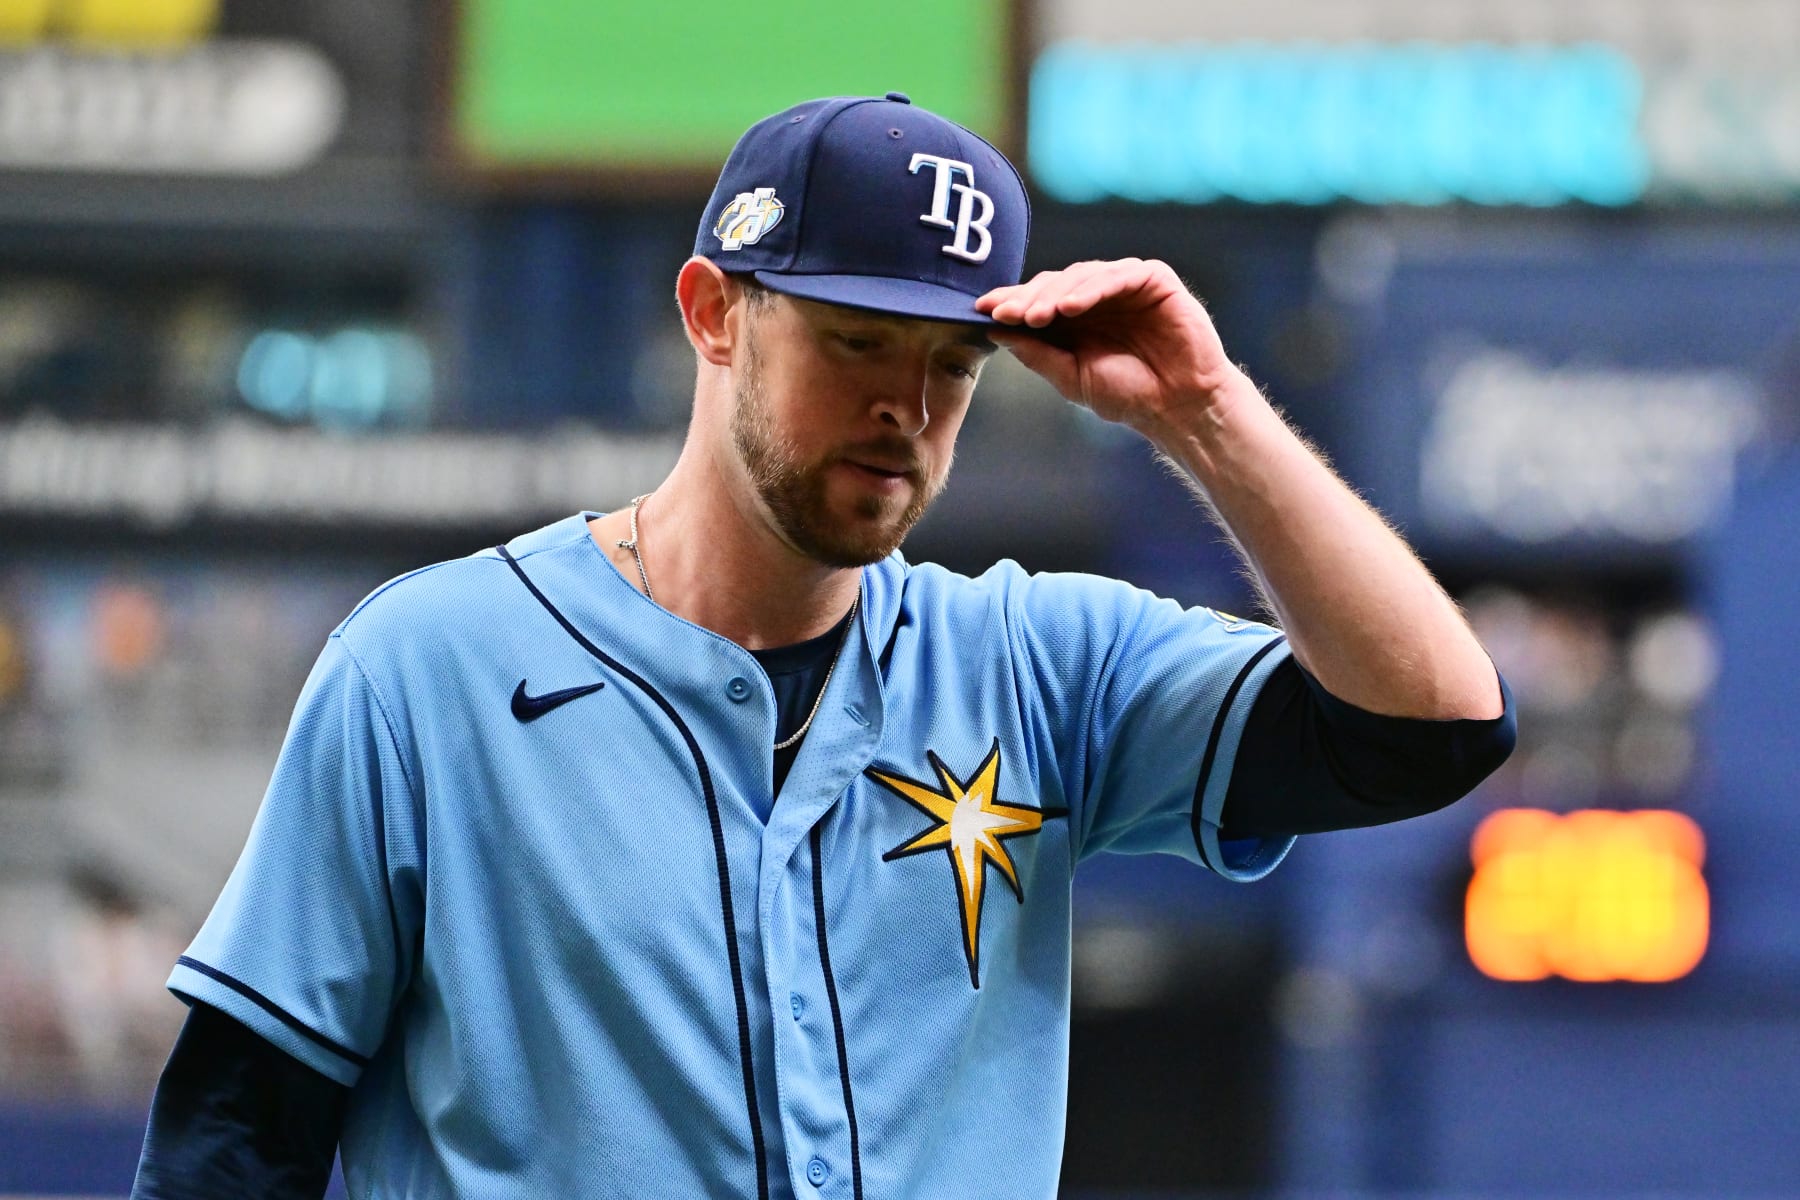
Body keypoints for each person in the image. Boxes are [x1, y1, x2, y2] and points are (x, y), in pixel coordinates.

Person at [130, 94, 1513, 1200]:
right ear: (715, 312)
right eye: (858, 343)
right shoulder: (428, 670)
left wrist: (1207, 411)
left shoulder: (1035, 665)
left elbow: (1429, 730)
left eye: (952, 367)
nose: (907, 407)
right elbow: (231, 1142)